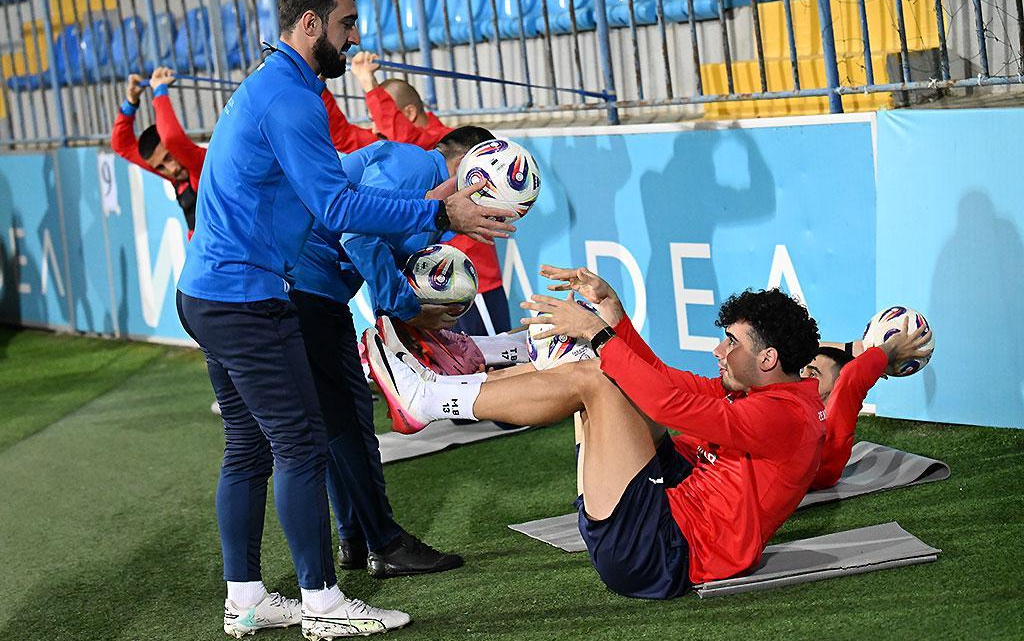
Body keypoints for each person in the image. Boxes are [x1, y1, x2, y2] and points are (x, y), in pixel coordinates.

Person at [175, 0, 513, 641]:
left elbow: (334, 200)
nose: (354, 38)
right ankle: (323, 603)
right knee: (300, 445)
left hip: (209, 292)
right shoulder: (289, 98)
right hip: (244, 297)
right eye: (346, 23)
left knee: (248, 447)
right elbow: (338, 208)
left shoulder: (276, 87)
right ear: (310, 23)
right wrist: (440, 211)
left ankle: (246, 599)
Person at [365, 269, 825, 599]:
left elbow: (669, 404)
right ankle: (467, 368)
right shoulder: (768, 393)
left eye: (732, 342)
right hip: (676, 505)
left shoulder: (785, 417)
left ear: (768, 359)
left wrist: (600, 336)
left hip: (660, 555)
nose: (718, 350)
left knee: (599, 377)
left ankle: (429, 398)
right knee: (606, 367)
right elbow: (662, 380)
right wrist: (613, 317)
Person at [288, 125, 495, 579]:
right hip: (306, 290)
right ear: (468, 166)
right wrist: (407, 308)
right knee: (346, 424)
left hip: (309, 290)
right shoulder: (414, 164)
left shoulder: (415, 174)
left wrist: (407, 315)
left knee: (338, 424)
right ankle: (383, 544)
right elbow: (358, 235)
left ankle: (356, 538)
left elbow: (375, 245)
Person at [350, 51, 510, 336]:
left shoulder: (443, 143)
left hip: (465, 275)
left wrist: (368, 84)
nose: (376, 127)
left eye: (380, 115)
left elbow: (402, 133)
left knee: (488, 356)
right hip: (431, 280)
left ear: (408, 114)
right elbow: (343, 134)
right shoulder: (407, 155)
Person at [801, 318, 932, 489]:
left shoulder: (832, 427)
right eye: (802, 370)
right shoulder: (791, 407)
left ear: (836, 387)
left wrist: (888, 349)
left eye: (813, 375)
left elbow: (851, 378)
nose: (801, 378)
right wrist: (853, 348)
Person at [110, 67, 206, 238]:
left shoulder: (201, 165)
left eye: (169, 156)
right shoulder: (175, 175)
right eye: (160, 167)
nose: (172, 169)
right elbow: (121, 145)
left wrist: (160, 91)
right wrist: (131, 102)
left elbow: (171, 138)